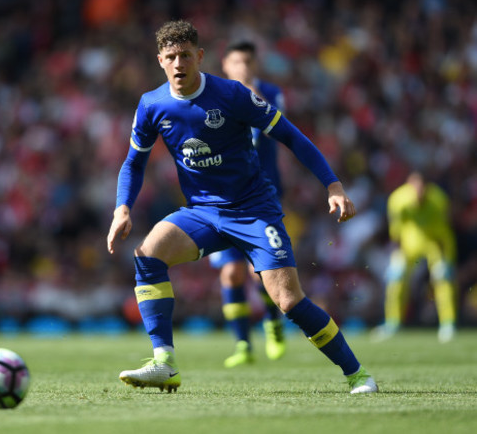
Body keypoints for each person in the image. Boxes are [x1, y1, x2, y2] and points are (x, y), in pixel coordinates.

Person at [106, 20, 377, 394]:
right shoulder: (151, 105)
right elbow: (134, 163)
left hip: (253, 210)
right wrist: (123, 208)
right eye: (171, 57)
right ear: (160, 61)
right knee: (148, 255)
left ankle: (358, 374)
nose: (179, 63)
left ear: (199, 56)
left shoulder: (231, 94)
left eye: (186, 55)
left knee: (287, 300)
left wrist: (332, 183)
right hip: (202, 211)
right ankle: (164, 362)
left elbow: (290, 136)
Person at [210, 41, 287, 367]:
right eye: (236, 62)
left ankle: (272, 321)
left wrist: (253, 96)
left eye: (247, 62)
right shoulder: (213, 95)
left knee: (260, 274)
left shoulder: (271, 93)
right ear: (225, 66)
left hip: (261, 194)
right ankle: (243, 344)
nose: (242, 68)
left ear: (255, 66)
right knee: (230, 273)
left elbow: (273, 131)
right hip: (223, 197)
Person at [373, 171, 457, 343]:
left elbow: (443, 231)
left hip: (435, 241)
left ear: (427, 188)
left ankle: (448, 324)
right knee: (396, 280)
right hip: (409, 242)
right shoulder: (398, 200)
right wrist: (397, 256)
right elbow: (396, 231)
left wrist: (444, 260)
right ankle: (392, 323)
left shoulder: (438, 200)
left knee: (442, 280)